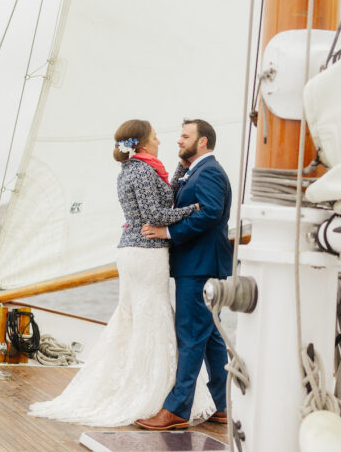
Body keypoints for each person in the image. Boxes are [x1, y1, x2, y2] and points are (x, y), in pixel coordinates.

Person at [28, 118, 211, 426]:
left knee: (136, 318)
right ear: (142, 142)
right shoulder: (142, 171)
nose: (160, 141)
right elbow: (155, 214)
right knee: (152, 317)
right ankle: (150, 393)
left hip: (134, 251)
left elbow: (159, 199)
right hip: (146, 252)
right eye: (155, 136)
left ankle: (145, 386)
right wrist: (192, 209)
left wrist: (180, 170)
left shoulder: (133, 169)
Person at [136, 118, 232, 430]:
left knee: (190, 336)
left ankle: (177, 409)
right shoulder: (198, 171)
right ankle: (225, 405)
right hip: (198, 265)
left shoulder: (210, 172)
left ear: (203, 141)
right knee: (209, 338)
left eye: (185, 136)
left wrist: (167, 231)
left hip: (199, 267)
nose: (179, 140)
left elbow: (209, 213)